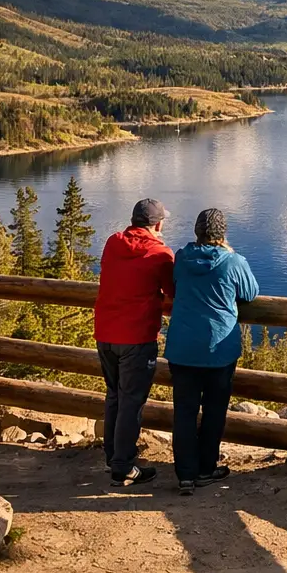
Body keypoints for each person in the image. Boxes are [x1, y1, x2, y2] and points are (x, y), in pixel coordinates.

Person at [165, 208, 259, 495]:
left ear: (196, 231)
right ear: (223, 233)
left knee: (184, 410)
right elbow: (250, 293)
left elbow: (175, 285)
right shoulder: (233, 261)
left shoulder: (181, 258)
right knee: (214, 410)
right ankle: (206, 468)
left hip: (182, 348)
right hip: (219, 348)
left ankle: (185, 474)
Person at [95, 198, 174, 487]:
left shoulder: (112, 243)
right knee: (131, 401)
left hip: (105, 334)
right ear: (158, 224)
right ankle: (123, 466)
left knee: (114, 395)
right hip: (137, 337)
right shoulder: (160, 253)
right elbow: (172, 292)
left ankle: (113, 457)